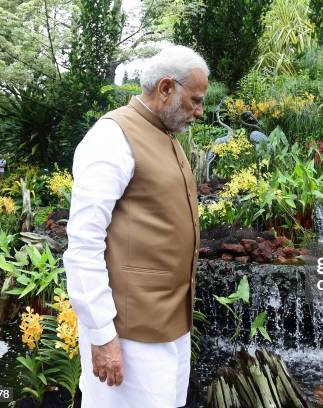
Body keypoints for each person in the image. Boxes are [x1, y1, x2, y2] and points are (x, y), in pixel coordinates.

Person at [63, 45, 209, 408]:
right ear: (165, 89)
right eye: (195, 100)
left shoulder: (166, 137)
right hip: (129, 337)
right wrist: (101, 335)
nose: (199, 111)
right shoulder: (112, 136)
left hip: (170, 328)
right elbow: (83, 242)